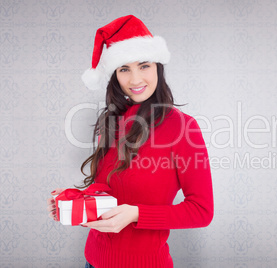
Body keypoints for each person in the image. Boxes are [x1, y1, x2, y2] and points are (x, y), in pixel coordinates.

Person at [46, 15, 214, 268]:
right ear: (115, 74)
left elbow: (201, 211)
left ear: (158, 66)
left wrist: (136, 214)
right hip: (92, 261)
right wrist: (78, 200)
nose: (135, 80)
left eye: (144, 65)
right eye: (124, 69)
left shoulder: (182, 127)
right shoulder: (111, 122)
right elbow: (110, 190)